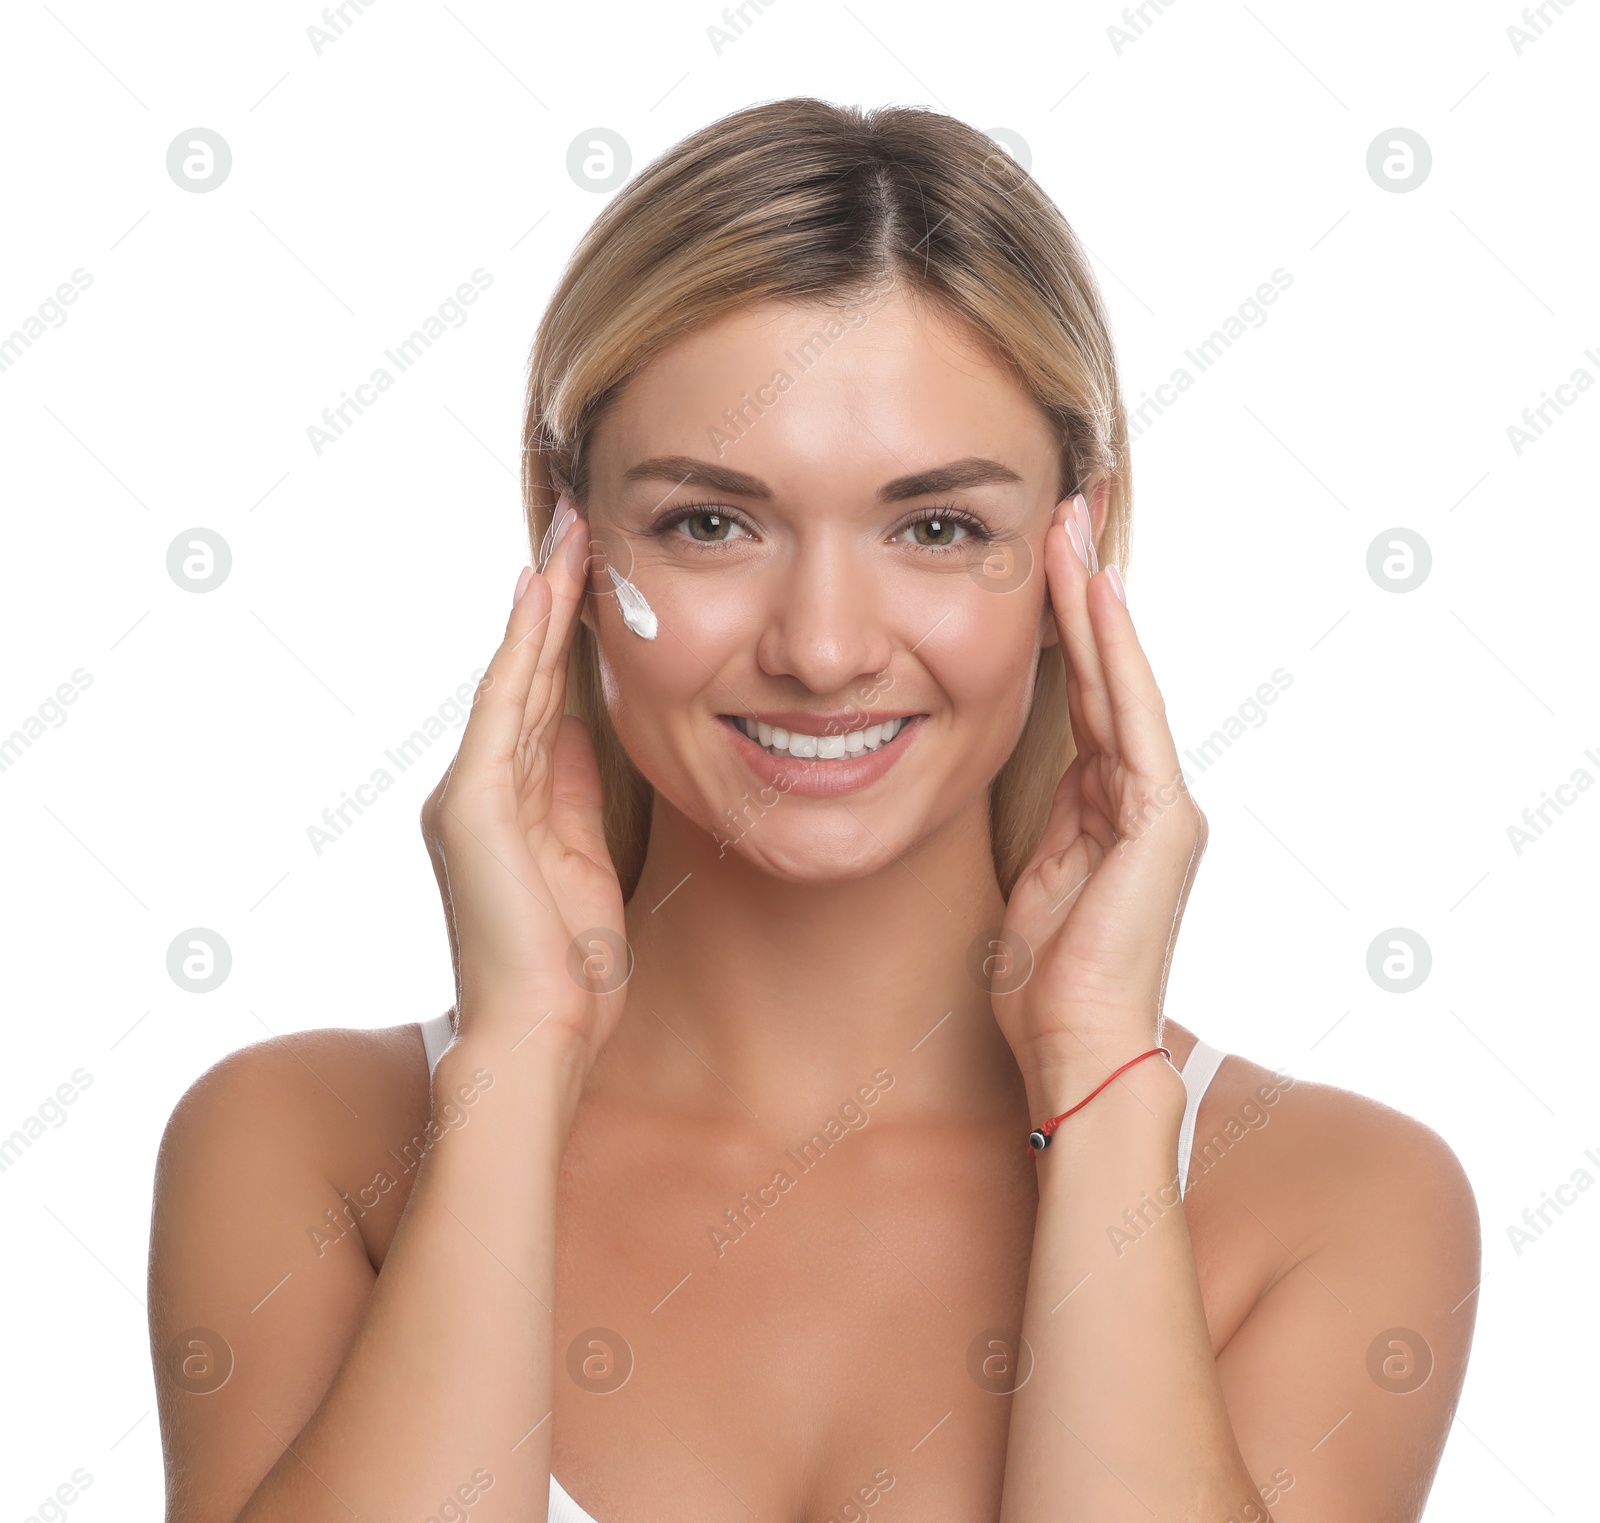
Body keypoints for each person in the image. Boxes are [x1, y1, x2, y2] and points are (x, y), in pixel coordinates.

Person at [148, 98, 1479, 1523]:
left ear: (1076, 549)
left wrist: (1095, 1087)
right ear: (570, 536)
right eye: (711, 523)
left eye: (938, 527)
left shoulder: (1338, 1204)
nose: (826, 647)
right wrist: (517, 1064)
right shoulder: (301, 1148)